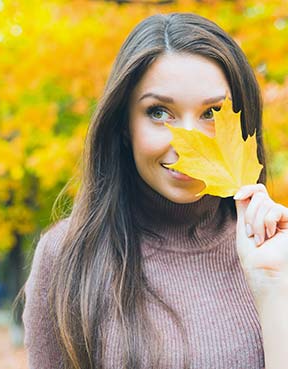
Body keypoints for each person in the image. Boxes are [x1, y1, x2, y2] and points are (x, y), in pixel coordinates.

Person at [22, 12, 288, 369]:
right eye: (160, 112)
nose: (187, 144)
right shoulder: (69, 255)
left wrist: (272, 285)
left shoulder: (276, 250)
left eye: (212, 112)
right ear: (124, 124)